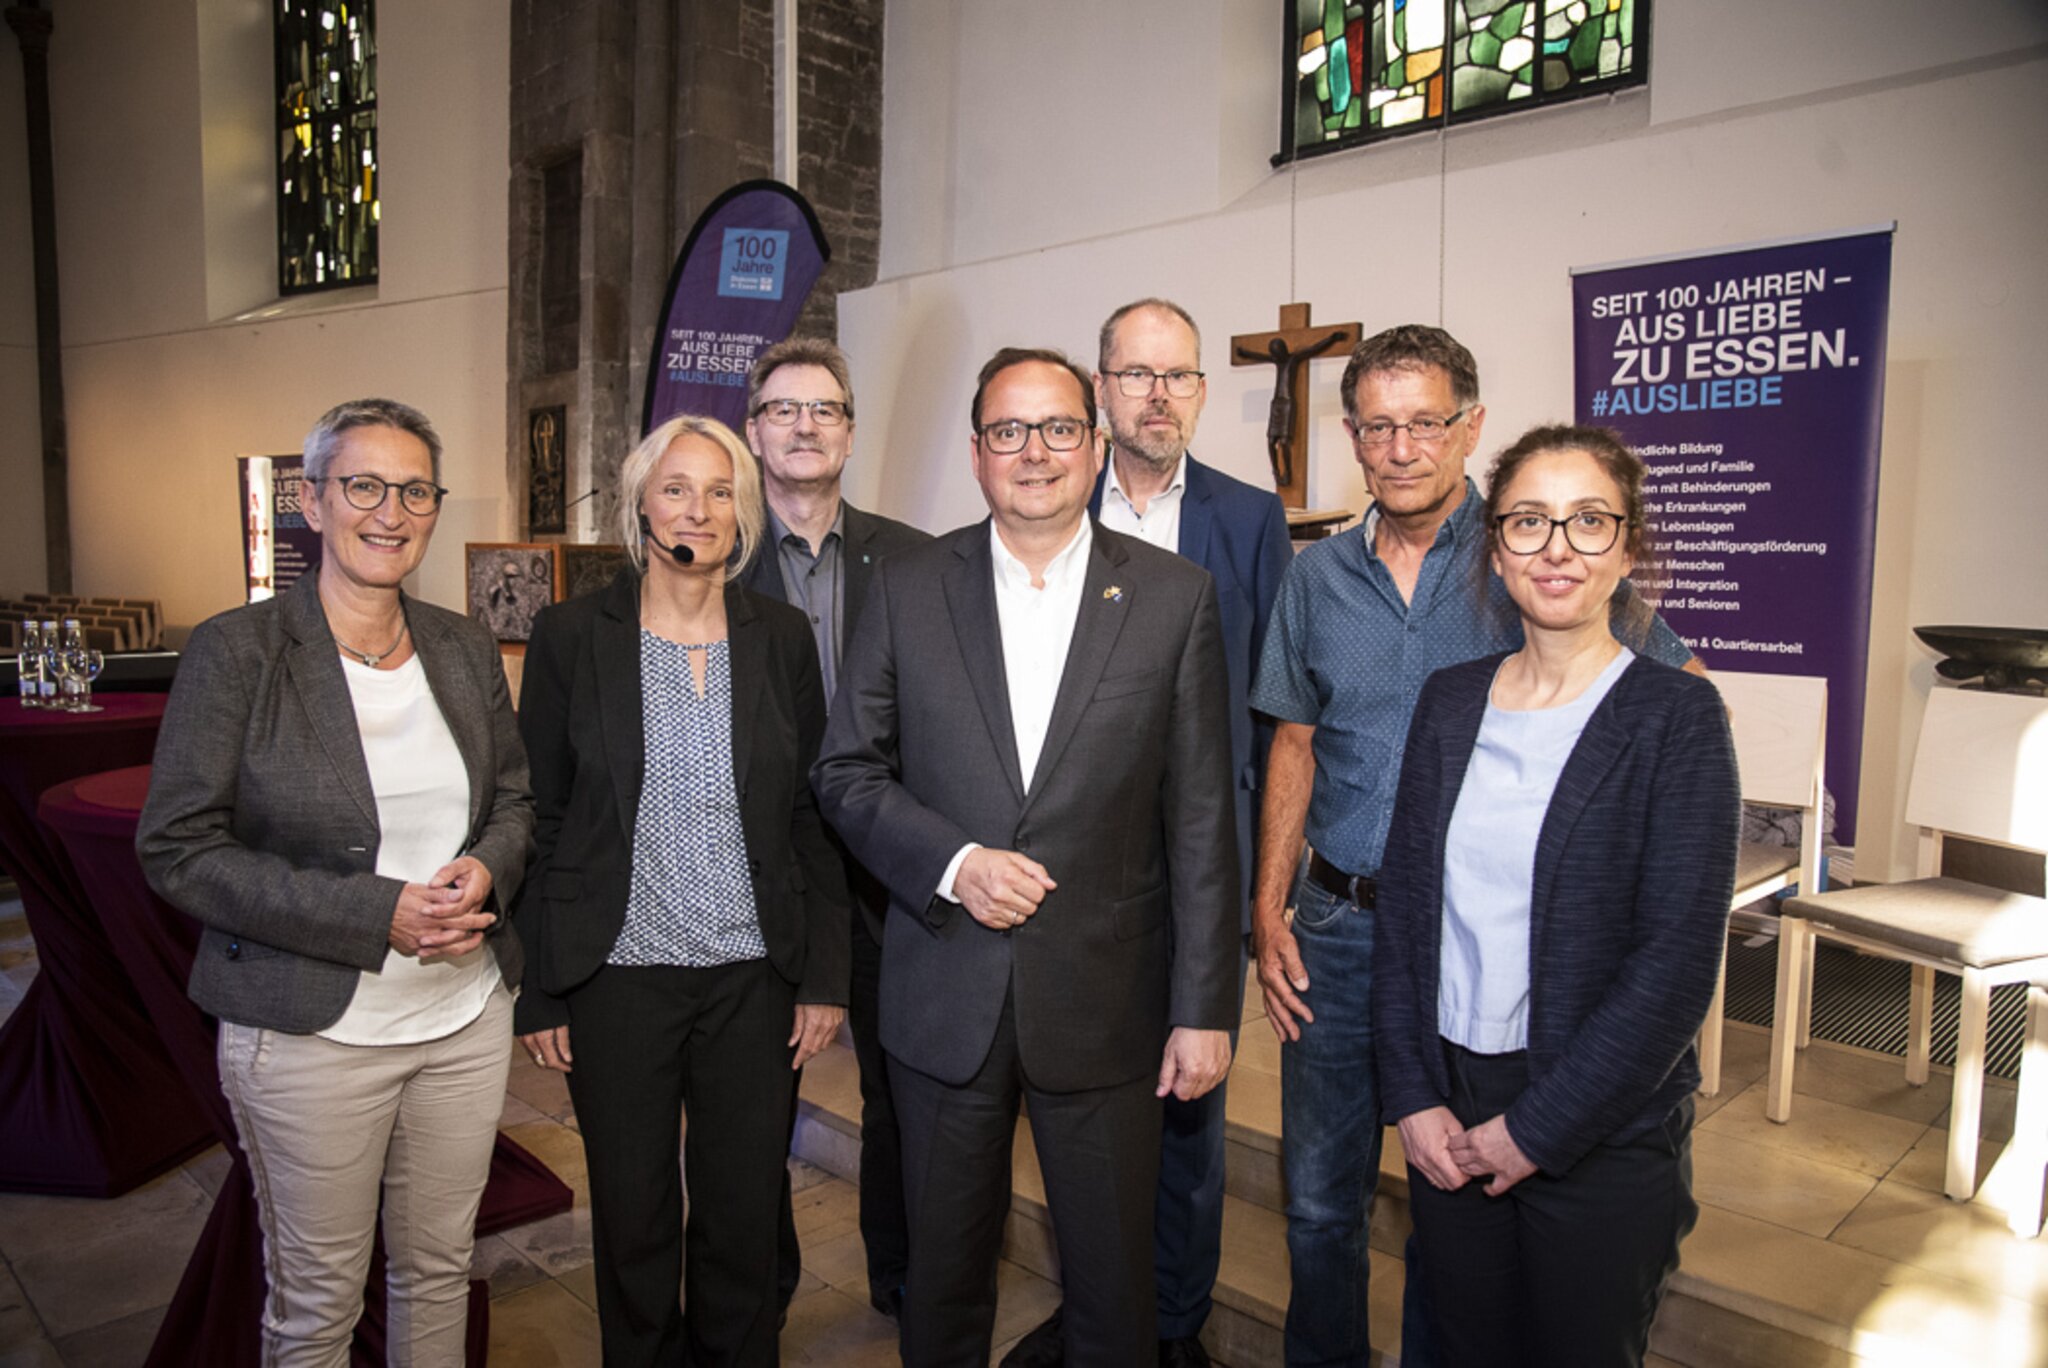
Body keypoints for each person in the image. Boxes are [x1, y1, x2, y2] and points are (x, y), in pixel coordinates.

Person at [1249, 326, 1700, 1367]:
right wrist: (1267, 906)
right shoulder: (1313, 580)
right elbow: (1294, 739)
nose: (1401, 448)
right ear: (1352, 438)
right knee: (1320, 1203)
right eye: (1377, 426)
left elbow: (1671, 685)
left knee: (1446, 1195)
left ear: (1470, 428)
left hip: (1471, 938)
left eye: (1425, 422)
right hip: (1334, 927)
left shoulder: (1522, 553)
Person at [813, 348, 1240, 1368]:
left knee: (1110, 1289)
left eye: (1057, 429)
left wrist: (1203, 1007)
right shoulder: (910, 586)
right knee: (943, 1279)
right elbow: (846, 771)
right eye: (1007, 431)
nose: (1033, 452)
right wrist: (955, 861)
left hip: (1108, 1002)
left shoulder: (1175, 598)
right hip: (943, 993)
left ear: (1093, 447)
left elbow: (1197, 817)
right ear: (975, 455)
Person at [137, 397, 531, 1366]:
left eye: (413, 490)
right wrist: (376, 912)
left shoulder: (461, 644)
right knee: (315, 1307)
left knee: (438, 1271)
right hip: (312, 1030)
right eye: (362, 485)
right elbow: (178, 846)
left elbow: (518, 801)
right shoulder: (238, 651)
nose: (388, 511)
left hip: (463, 1021)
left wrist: (486, 863)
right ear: (311, 500)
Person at [1374, 425, 1739, 1366]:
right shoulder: (1451, 702)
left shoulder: (1677, 718)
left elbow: (1676, 967)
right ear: (1496, 552)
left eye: (1588, 522)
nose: (1557, 549)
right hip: (1449, 1108)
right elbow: (1408, 916)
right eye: (1529, 523)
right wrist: (1412, 1095)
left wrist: (1535, 1131)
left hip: (1598, 1120)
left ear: (1627, 547)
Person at [509, 414, 850, 1367]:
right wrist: (539, 985)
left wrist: (823, 977)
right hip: (617, 976)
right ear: (638, 505)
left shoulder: (779, 638)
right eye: (675, 488)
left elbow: (809, 819)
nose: (695, 509)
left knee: (743, 1219)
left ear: (743, 515)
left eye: (718, 492)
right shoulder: (573, 635)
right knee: (635, 1218)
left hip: (755, 978)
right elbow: (539, 815)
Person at [1007, 299, 1291, 1368]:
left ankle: (1172, 1319)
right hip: (1072, 868)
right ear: (1100, 389)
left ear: (1201, 392)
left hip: (1194, 866)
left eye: (1177, 375)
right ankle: (1097, 1306)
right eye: (1134, 375)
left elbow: (1271, 705)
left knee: (1186, 1108)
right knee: (1077, 1107)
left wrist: (1259, 874)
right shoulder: (1046, 499)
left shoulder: (1247, 520)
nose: (1157, 394)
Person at [739, 337, 931, 1321]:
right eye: (783, 409)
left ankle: (899, 1276)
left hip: (880, 875)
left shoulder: (913, 558)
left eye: (823, 409)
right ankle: (759, 1292)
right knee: (755, 1098)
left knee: (901, 1091)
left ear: (849, 431)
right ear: (752, 430)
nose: (804, 425)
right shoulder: (711, 563)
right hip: (757, 876)